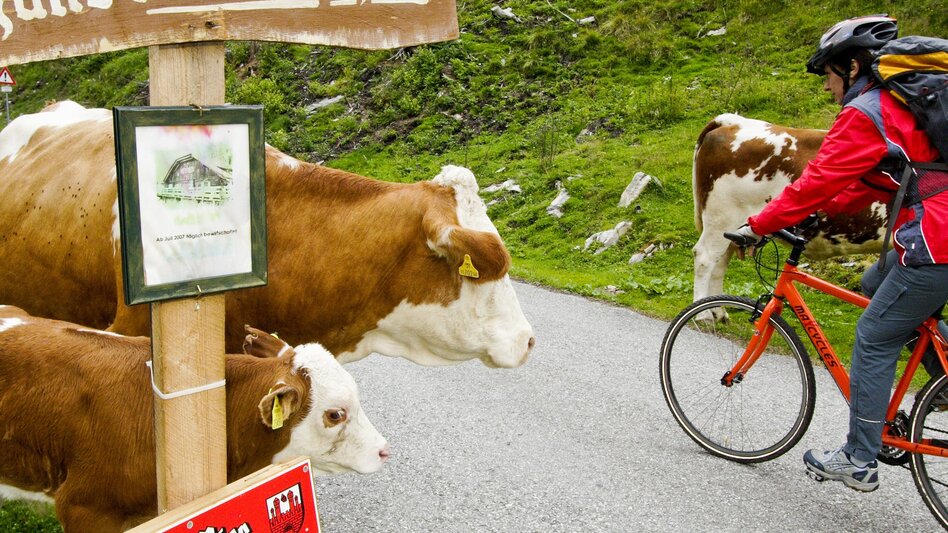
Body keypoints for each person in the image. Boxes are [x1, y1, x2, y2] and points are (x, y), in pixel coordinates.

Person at [731, 14, 948, 492]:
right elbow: (865, 181)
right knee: (875, 286)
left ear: (852, 67)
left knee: (873, 333)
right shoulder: (908, 104)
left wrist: (760, 224)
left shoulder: (868, 110)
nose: (827, 87)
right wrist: (815, 216)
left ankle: (858, 458)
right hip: (934, 232)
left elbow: (818, 179)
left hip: (936, 238)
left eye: (829, 74)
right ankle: (944, 386)